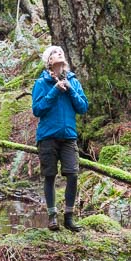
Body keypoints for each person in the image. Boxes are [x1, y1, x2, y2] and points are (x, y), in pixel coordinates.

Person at [32, 45, 89, 231]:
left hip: (69, 136)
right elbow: (37, 109)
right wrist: (55, 90)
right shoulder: (41, 83)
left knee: (72, 175)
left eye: (62, 53)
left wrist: (70, 90)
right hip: (47, 136)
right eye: (56, 53)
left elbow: (83, 107)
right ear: (48, 60)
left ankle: (69, 217)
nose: (60, 54)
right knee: (49, 176)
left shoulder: (73, 81)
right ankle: (52, 216)